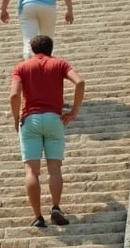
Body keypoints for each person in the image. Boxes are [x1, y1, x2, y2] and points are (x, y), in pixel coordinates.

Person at [9, 34, 85, 229]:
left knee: (31, 170)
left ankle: (37, 216)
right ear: (51, 49)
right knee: (55, 168)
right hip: (54, 118)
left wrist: (16, 118)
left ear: (33, 50)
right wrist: (74, 110)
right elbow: (80, 82)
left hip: (31, 119)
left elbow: (14, 95)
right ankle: (56, 207)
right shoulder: (59, 64)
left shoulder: (21, 67)